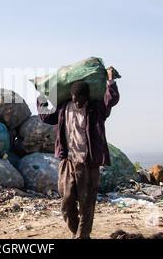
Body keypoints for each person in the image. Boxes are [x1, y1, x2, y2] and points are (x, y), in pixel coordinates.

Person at [36, 67, 120, 239]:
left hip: (88, 163)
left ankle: (83, 236)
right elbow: (45, 116)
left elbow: (111, 99)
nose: (77, 102)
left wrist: (110, 80)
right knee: (66, 201)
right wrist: (42, 93)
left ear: (86, 97)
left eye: (80, 99)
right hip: (67, 162)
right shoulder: (63, 108)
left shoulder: (96, 110)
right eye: (74, 99)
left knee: (87, 203)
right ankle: (77, 232)